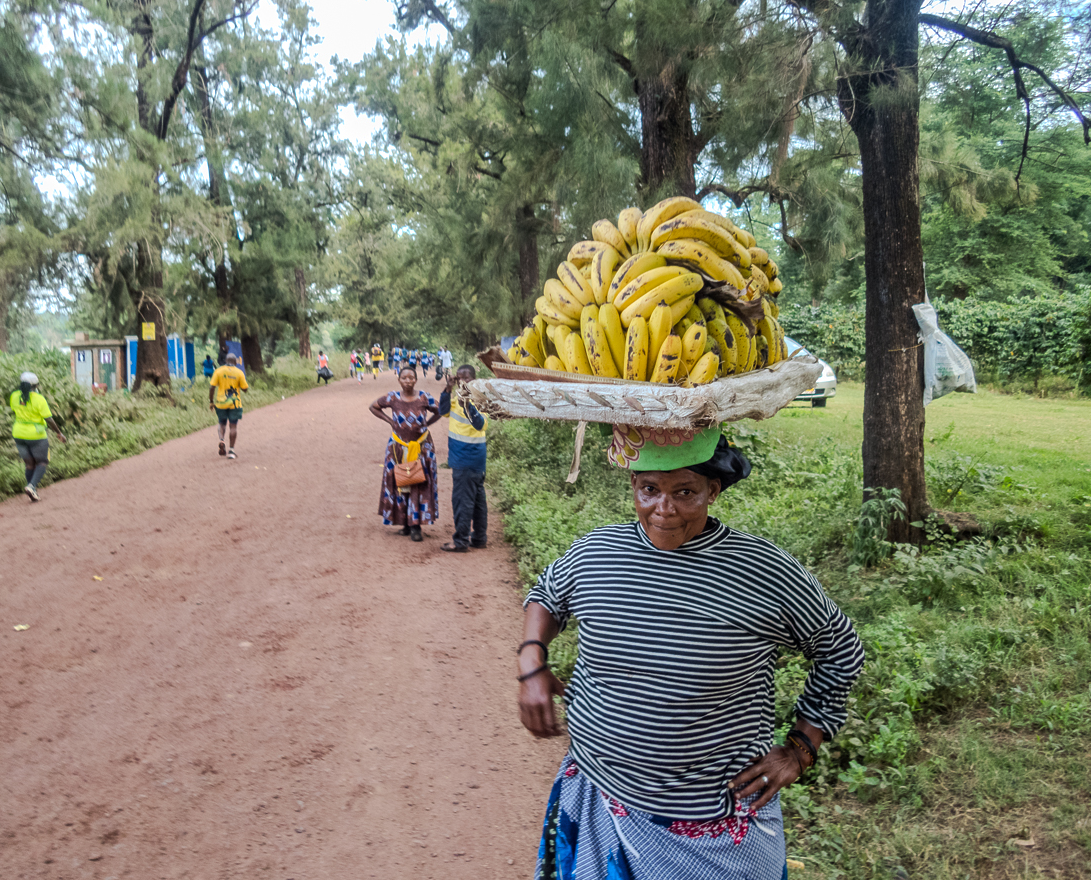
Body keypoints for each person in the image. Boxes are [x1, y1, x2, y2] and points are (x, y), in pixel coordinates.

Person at [518, 425, 865, 880]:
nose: (664, 509)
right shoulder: (596, 552)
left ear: (713, 490)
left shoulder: (764, 572)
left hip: (715, 826)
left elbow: (840, 647)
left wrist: (801, 748)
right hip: (598, 794)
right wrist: (531, 661)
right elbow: (548, 594)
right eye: (649, 490)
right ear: (633, 486)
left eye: (685, 491)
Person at [369, 366, 442, 542]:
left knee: (418, 481)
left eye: (411, 378)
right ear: (399, 380)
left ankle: (416, 526)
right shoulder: (392, 397)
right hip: (398, 447)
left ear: (416, 379)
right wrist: (390, 421)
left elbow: (440, 410)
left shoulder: (425, 397)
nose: (408, 381)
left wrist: (427, 424)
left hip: (422, 447)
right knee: (401, 481)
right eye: (404, 378)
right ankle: (405, 523)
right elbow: (373, 407)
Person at [438, 365, 487, 553]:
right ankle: (480, 538)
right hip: (470, 460)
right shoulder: (456, 399)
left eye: (466, 378)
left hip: (468, 458)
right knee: (477, 501)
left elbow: (480, 424)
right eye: (459, 379)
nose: (463, 382)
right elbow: (442, 411)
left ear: (474, 379)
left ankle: (460, 541)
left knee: (463, 501)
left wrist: (466, 402)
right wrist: (448, 389)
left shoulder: (480, 399)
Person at [10, 371, 67, 502]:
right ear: (35, 385)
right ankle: (32, 486)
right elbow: (49, 419)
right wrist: (59, 432)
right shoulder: (38, 399)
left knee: (29, 464)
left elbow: (15, 410)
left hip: (18, 433)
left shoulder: (14, 396)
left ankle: (32, 489)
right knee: (42, 462)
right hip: (36, 435)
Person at [209, 353, 249, 459]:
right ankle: (231, 451)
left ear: (225, 361)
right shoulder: (239, 372)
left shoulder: (218, 371)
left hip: (220, 403)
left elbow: (211, 387)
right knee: (233, 426)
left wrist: (211, 401)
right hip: (234, 404)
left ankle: (221, 440)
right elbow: (245, 389)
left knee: (222, 424)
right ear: (235, 362)